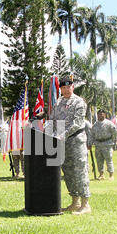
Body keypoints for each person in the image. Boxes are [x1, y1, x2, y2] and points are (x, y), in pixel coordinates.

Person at [46, 77, 91, 215]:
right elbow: (52, 119)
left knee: (79, 170)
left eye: (68, 87)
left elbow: (77, 123)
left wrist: (62, 135)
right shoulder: (58, 102)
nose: (66, 90)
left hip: (76, 140)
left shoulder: (79, 102)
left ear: (73, 87)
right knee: (68, 172)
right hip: (61, 142)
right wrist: (47, 132)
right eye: (63, 88)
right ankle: (75, 202)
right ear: (60, 89)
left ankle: (85, 204)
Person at [90, 110, 117, 181]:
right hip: (98, 145)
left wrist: (112, 141)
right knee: (99, 160)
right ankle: (101, 174)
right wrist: (90, 143)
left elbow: (114, 132)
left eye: (102, 114)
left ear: (105, 115)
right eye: (99, 114)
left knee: (109, 160)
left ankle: (111, 175)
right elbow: (92, 135)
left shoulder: (109, 123)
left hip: (107, 144)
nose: (100, 116)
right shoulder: (95, 124)